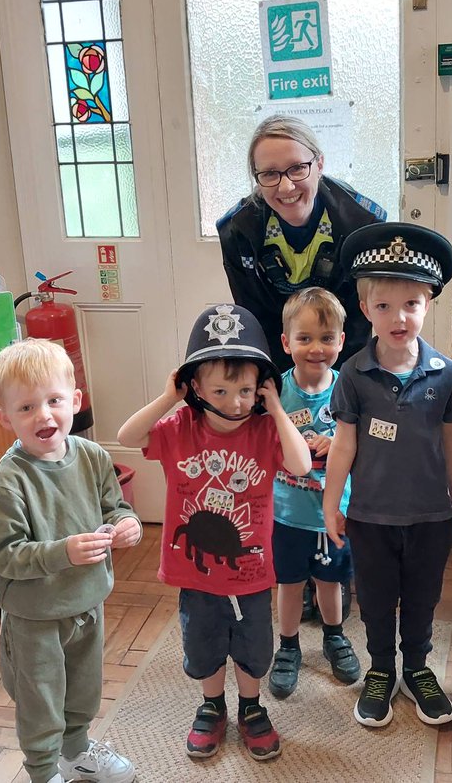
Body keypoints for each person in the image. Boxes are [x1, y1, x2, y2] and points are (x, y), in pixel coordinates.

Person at [118, 304, 311, 762]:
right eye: (221, 390)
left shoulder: (266, 430)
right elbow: (127, 435)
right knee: (203, 647)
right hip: (196, 575)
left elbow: (301, 464)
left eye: (246, 390)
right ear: (195, 389)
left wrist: (278, 408)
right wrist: (168, 397)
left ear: (261, 389)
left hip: (251, 574)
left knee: (252, 649)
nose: (235, 402)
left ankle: (250, 706)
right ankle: (211, 706)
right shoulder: (178, 428)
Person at [322, 222, 452, 729]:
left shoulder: (446, 374)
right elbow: (343, 445)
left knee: (424, 596)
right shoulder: (353, 375)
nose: (398, 316)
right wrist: (330, 504)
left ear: (428, 303)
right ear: (365, 310)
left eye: (411, 303)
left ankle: (417, 667)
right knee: (378, 597)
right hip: (370, 515)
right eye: (384, 306)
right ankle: (382, 669)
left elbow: (451, 438)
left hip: (431, 514)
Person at [0, 339, 141, 783]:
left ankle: (75, 752)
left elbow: (116, 507)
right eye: (27, 407)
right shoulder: (6, 482)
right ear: (5, 418)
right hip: (35, 616)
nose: (44, 416)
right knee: (41, 700)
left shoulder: (92, 456)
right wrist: (63, 552)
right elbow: (4, 556)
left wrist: (127, 524)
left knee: (83, 690)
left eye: (54, 401)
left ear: (75, 401)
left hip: (87, 602)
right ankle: (41, 771)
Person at [216, 114, 387, 374]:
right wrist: (279, 386)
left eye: (297, 168)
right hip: (279, 356)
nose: (286, 187)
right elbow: (256, 318)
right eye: (270, 173)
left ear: (319, 164)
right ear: (256, 177)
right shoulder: (236, 231)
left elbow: (358, 320)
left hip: (343, 353)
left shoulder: (363, 224)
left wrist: (345, 388)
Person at [268, 287, 361, 700]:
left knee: (330, 581)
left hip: (334, 512)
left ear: (341, 341)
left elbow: (363, 445)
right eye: (304, 338)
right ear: (287, 342)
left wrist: (336, 442)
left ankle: (334, 636)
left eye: (327, 338)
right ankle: (288, 646)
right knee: (288, 584)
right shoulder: (274, 393)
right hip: (286, 512)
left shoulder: (350, 390)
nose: (316, 348)